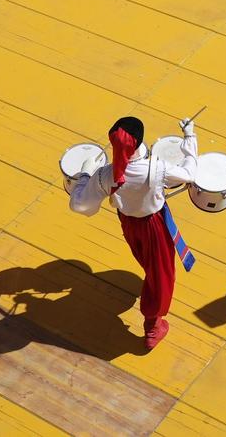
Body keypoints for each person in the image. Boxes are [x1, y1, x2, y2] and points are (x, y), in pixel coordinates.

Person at [69, 114, 200, 350]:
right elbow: (189, 174)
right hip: (155, 226)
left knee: (149, 265)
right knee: (161, 276)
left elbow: (79, 204)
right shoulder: (157, 169)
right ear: (140, 142)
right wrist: (189, 137)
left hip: (129, 225)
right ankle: (152, 326)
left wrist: (85, 176)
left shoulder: (105, 174)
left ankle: (152, 312)